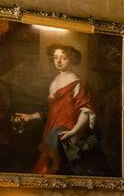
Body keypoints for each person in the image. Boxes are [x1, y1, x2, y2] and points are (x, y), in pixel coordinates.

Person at [9, 44, 106, 176]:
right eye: (56, 57)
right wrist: (29, 117)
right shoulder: (55, 81)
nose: (59, 61)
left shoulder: (77, 83)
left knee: (63, 170)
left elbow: (85, 111)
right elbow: (51, 110)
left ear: (71, 59)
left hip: (67, 132)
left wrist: (73, 132)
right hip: (51, 129)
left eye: (63, 58)